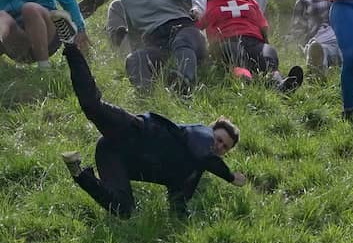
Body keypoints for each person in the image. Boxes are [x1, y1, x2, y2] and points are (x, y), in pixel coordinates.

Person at [58, 42, 246, 218]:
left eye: (225, 147)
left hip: (114, 155)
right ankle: (71, 45)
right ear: (211, 130)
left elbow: (177, 199)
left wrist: (182, 220)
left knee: (124, 210)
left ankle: (79, 173)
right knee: (93, 106)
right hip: (133, 131)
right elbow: (203, 153)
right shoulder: (201, 134)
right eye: (219, 139)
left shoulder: (193, 171)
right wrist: (229, 176)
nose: (219, 146)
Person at [195, 0, 303, 90]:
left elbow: (263, 27)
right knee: (236, 57)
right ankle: (247, 81)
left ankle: (280, 84)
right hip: (226, 43)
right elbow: (195, 27)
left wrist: (266, 44)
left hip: (254, 42)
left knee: (268, 55)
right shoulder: (206, 5)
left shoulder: (250, 3)